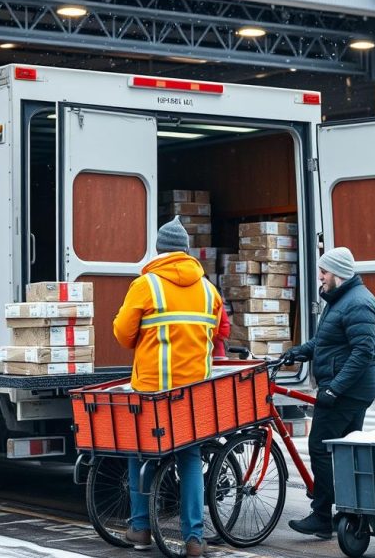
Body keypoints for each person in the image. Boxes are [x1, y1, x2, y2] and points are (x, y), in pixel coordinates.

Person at [113, 215, 225, 556]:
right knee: (190, 459)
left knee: (138, 453)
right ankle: (194, 539)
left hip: (152, 392)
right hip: (193, 394)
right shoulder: (209, 290)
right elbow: (219, 332)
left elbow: (122, 333)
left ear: (159, 250)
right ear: (187, 251)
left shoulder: (146, 286)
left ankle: (141, 528)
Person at [286, 246, 375, 539]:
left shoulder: (358, 304)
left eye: (324, 272)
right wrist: (299, 352)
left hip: (348, 391)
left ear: (338, 274)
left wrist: (335, 390)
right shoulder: (342, 300)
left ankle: (322, 516)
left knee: (320, 446)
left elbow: (363, 353)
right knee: (344, 451)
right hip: (349, 389)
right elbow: (326, 341)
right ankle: (352, 512)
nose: (321, 277)